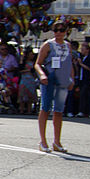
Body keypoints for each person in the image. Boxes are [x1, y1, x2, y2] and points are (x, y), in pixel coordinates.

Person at [35, 21, 74, 152]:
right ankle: (43, 141)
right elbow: (38, 63)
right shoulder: (48, 45)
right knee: (45, 108)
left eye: (62, 30)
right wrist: (42, 75)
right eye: (56, 30)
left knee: (59, 111)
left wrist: (71, 79)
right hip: (50, 78)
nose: (59, 33)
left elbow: (70, 63)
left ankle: (57, 142)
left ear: (66, 31)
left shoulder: (68, 46)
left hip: (62, 80)